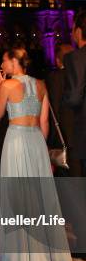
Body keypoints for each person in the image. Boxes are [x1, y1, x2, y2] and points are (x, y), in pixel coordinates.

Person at [0, 48, 75, 261]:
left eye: (4, 60)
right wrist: (43, 151)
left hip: (17, 140)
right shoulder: (41, 85)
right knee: (40, 196)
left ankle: (23, 256)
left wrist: (1, 85)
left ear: (13, 62)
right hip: (37, 140)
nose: (1, 63)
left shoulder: (7, 85)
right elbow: (45, 122)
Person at [46, 43, 81, 176]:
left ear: (57, 60)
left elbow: (53, 108)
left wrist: (51, 140)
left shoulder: (56, 78)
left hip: (66, 138)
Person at [63, 10, 86, 176]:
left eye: (72, 29)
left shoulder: (76, 57)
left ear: (78, 31)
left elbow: (74, 97)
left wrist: (64, 98)